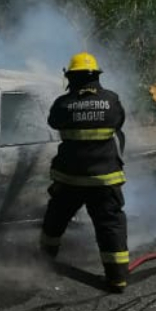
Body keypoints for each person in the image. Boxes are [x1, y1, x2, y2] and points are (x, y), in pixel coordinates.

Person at [39, 52, 129, 293]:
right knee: (110, 227)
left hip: (70, 181)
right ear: (96, 76)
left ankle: (45, 261)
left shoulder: (63, 104)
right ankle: (117, 279)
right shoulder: (112, 100)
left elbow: (53, 123)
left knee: (55, 221)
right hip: (105, 180)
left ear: (71, 77)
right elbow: (119, 122)